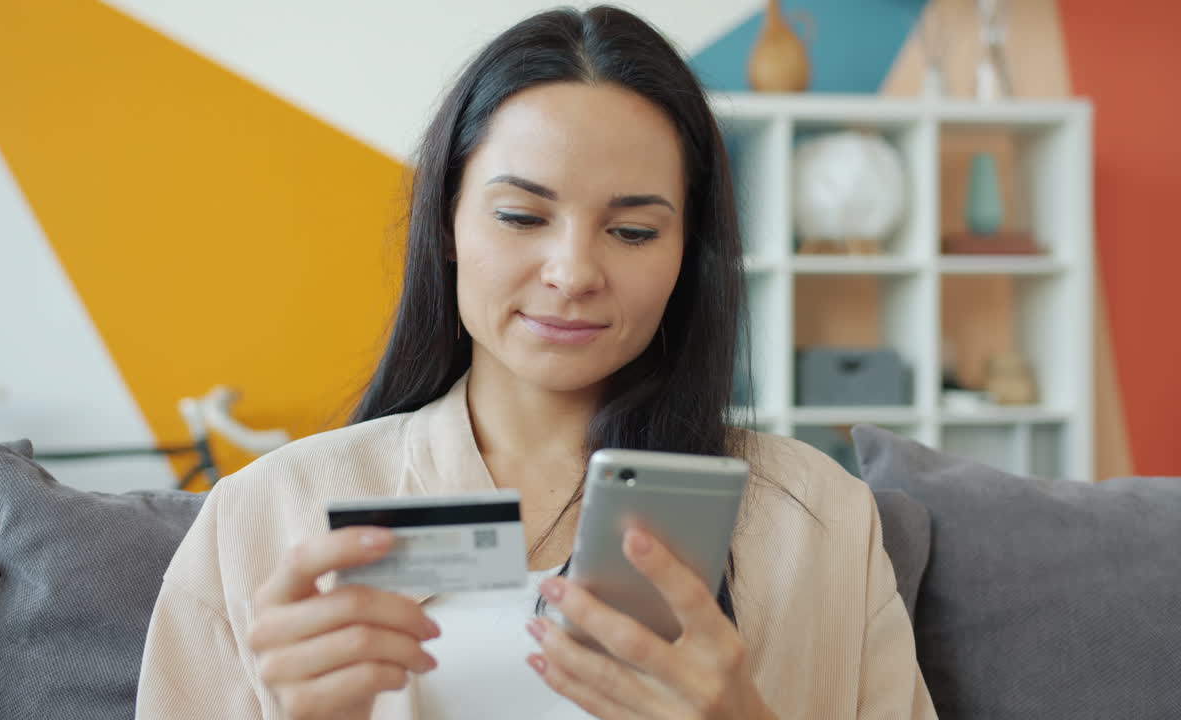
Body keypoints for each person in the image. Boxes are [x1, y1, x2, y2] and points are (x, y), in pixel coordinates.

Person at [135, 6, 936, 720]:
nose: (573, 272)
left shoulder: (820, 521)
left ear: (687, 255)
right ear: (446, 225)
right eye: (521, 216)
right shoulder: (261, 518)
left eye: (633, 232)